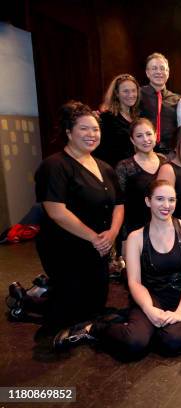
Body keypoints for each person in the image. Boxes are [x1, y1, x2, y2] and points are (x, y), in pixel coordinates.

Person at [54, 180, 181, 360]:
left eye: (171, 200)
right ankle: (96, 328)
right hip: (150, 295)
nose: (166, 205)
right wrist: (148, 309)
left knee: (172, 342)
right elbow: (134, 282)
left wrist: (180, 312)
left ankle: (132, 321)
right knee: (135, 343)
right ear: (148, 201)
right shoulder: (136, 237)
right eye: (160, 199)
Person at [34, 101, 124, 328]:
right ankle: (30, 300)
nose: (91, 134)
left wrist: (111, 234)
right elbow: (57, 212)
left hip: (99, 246)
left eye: (95, 129)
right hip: (65, 246)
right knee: (67, 313)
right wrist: (94, 238)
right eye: (84, 128)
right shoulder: (54, 166)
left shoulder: (105, 167)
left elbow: (119, 205)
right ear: (68, 132)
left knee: (95, 304)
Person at [115, 118, 167, 238]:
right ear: (132, 140)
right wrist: (124, 238)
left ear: (155, 135)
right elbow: (119, 205)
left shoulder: (165, 162)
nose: (145, 139)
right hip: (134, 232)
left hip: (162, 230)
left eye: (149, 134)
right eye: (139, 136)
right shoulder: (124, 167)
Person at [139, 52, 180, 155]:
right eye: (154, 68)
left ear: (168, 73)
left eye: (162, 68)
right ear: (147, 73)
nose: (159, 72)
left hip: (170, 153)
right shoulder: (137, 95)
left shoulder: (177, 99)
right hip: (144, 150)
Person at [96, 74, 140, 167]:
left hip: (135, 170)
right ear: (117, 93)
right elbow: (100, 151)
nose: (131, 95)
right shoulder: (106, 118)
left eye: (133, 91)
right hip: (114, 170)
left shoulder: (138, 117)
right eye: (125, 91)